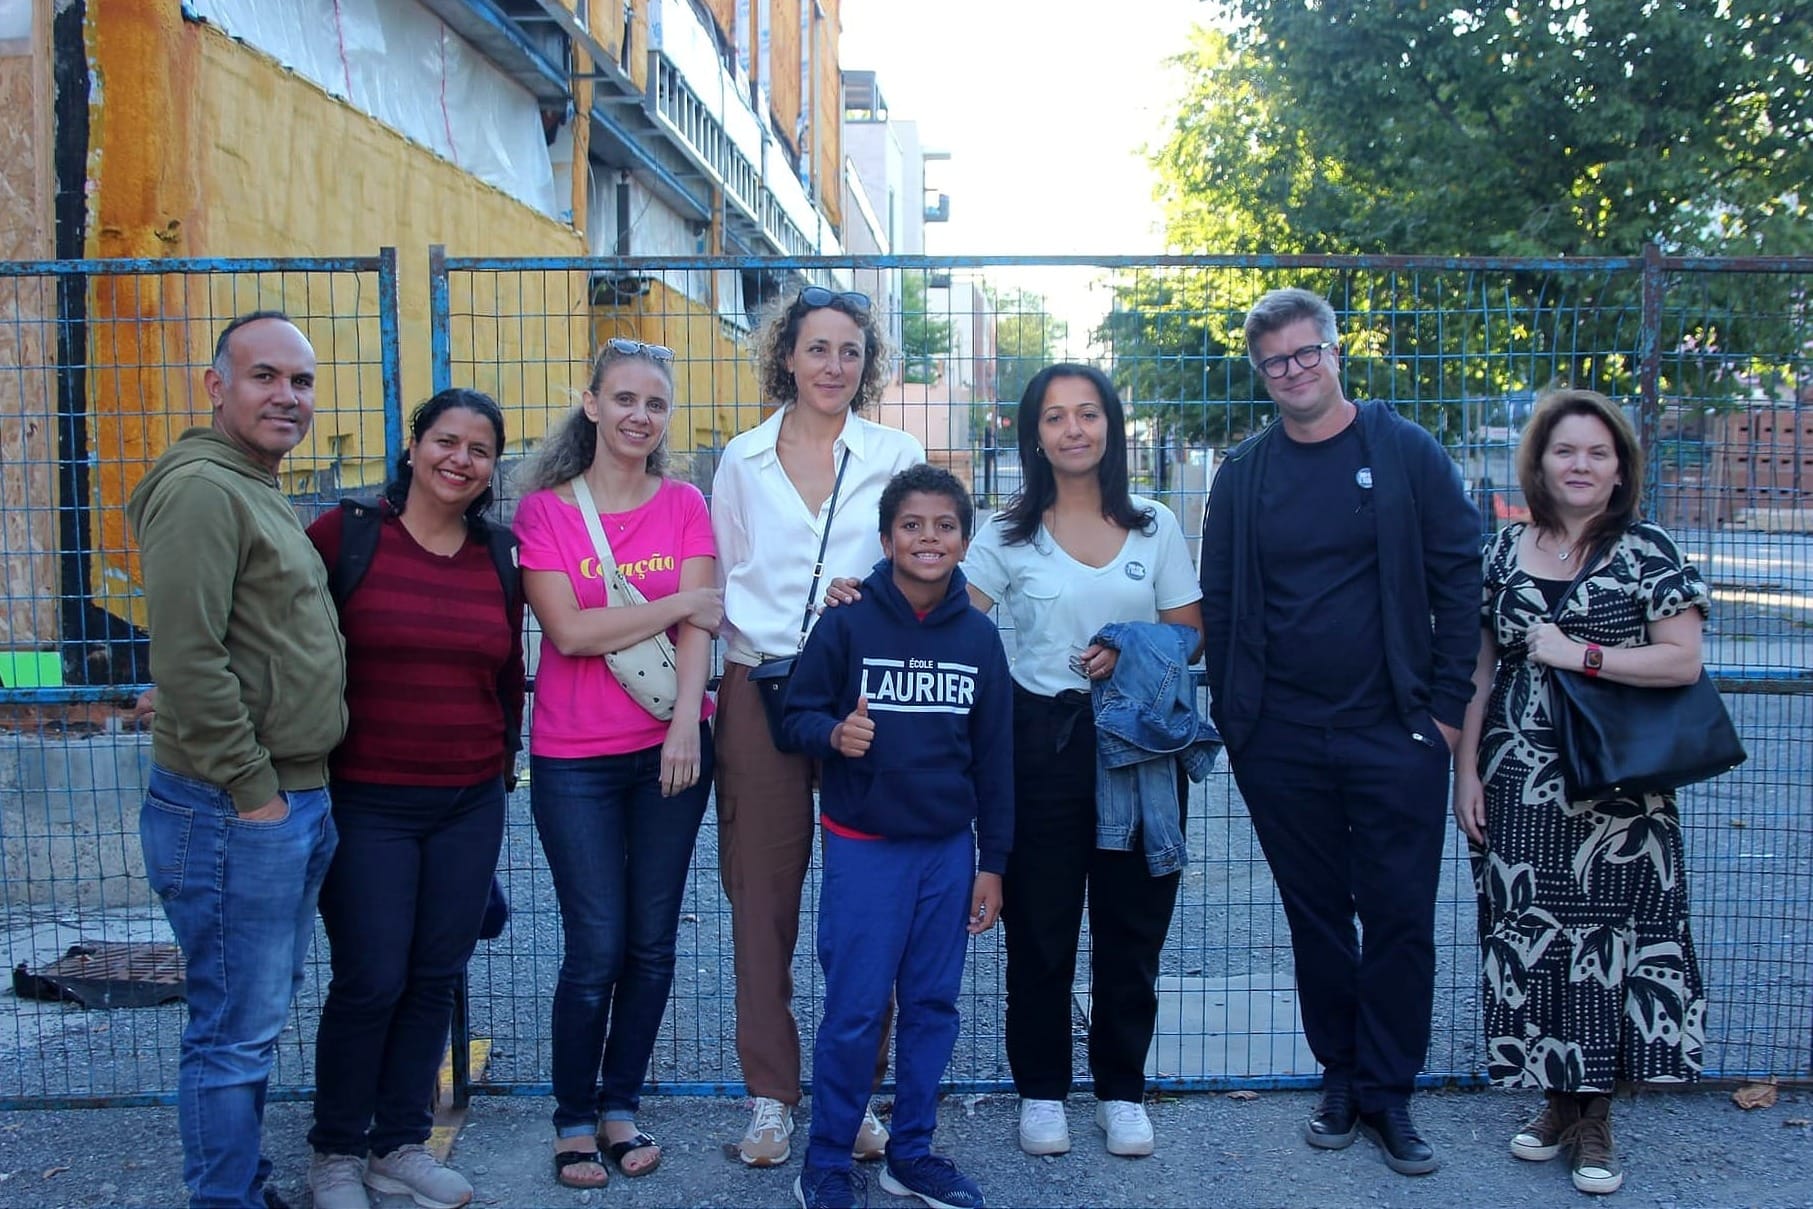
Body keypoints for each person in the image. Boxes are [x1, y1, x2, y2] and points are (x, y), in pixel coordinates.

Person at [1199, 287, 1481, 1176]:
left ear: (1333, 352)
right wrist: (1237, 720)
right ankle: (1340, 1074)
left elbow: (1458, 582)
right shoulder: (1244, 475)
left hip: (1394, 733)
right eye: (1274, 361)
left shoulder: (1403, 453)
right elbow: (1221, 598)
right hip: (1279, 739)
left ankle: (1390, 1095)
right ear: (1261, 374)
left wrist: (1439, 715)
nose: (1292, 371)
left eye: (1304, 353)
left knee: (1398, 916)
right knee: (1316, 916)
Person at [1452, 388, 1708, 1197]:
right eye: (1566, 450)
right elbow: (1479, 669)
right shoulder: (1499, 553)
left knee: (1608, 944)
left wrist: (1578, 653)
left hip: (1617, 790)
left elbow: (1681, 661)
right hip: (1517, 780)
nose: (1581, 465)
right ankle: (1557, 1100)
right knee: (1532, 936)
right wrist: (1464, 771)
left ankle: (1595, 1113)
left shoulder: (1647, 550)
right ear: (1540, 460)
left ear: (1619, 467)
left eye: (1598, 453)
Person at [126, 311, 348, 1208]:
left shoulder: (248, 481)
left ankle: (240, 1184)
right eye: (265, 376)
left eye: (300, 381)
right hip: (234, 809)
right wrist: (255, 793)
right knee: (233, 1030)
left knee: (249, 1018)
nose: (286, 397)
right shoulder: (202, 492)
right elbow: (187, 659)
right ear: (217, 386)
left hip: (285, 799)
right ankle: (224, 1198)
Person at [961, 363, 1203, 1160]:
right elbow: (955, 627)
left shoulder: (1154, 525)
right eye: (1056, 415)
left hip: (1139, 750)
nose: (1073, 429)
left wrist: (1127, 649)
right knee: (1039, 930)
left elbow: (1188, 627)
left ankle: (1121, 1091)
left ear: (1110, 426)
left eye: (1088, 413)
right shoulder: (1004, 534)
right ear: (1033, 432)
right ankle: (1041, 1089)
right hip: (1042, 744)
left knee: (1132, 929)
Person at [709, 286, 924, 1166]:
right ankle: (769, 1096)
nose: (834, 365)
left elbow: (925, 562)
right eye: (817, 348)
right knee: (761, 897)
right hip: (759, 686)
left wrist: (868, 595)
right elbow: (723, 582)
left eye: (849, 350)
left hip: (861, 693)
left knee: (868, 901)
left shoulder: (896, 452)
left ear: (866, 363)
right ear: (785, 356)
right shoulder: (740, 459)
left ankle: (855, 1092)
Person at [302, 389, 524, 1209]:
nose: (459, 459)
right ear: (415, 445)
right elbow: (285, 635)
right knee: (370, 977)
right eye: (446, 441)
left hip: (468, 799)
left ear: (493, 466)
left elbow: (505, 676)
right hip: (366, 798)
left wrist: (500, 760)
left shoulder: (498, 554)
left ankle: (398, 1141)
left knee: (436, 972)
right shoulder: (347, 534)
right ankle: (334, 1151)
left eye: (478, 449)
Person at [513, 339, 720, 1191]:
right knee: (594, 943)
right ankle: (570, 1116)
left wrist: (685, 726)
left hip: (669, 751)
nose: (640, 416)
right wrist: (676, 602)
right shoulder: (546, 512)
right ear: (591, 403)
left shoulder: (685, 505)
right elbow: (570, 632)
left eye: (656, 404)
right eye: (624, 398)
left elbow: (705, 633)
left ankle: (620, 1105)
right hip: (574, 759)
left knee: (652, 942)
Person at [782, 464, 1012, 1209]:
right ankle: (824, 1158)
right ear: (885, 538)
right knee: (854, 1007)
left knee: (933, 1005)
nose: (928, 537)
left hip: (946, 852)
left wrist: (993, 862)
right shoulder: (846, 623)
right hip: (864, 848)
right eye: (911, 524)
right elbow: (794, 715)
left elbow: (996, 759)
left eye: (944, 525)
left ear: (964, 541)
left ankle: (910, 1152)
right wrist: (832, 733)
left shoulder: (978, 636)